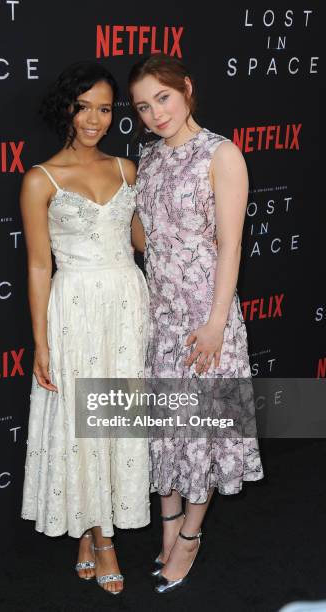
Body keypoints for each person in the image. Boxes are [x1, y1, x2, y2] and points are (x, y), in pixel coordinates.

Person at [128, 54, 264, 594]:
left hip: (207, 317)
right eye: (142, 106)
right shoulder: (149, 158)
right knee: (168, 427)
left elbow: (232, 245)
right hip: (160, 315)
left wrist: (214, 324)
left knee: (202, 429)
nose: (155, 113)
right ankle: (167, 526)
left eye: (163, 97)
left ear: (186, 88)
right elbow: (146, 238)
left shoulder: (221, 153)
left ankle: (189, 537)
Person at [20, 61, 150, 595]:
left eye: (104, 108)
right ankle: (103, 540)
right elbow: (38, 266)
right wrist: (40, 342)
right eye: (84, 107)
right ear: (66, 109)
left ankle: (89, 530)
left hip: (126, 304)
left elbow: (146, 243)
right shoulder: (40, 179)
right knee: (85, 426)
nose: (94, 119)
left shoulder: (127, 169)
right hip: (73, 308)